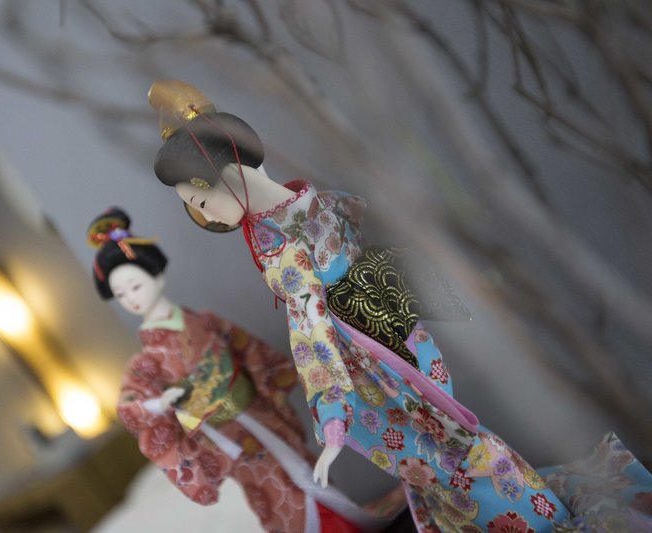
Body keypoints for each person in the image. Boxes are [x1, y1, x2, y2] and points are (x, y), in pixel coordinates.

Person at [147, 80, 652, 532]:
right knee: (457, 453)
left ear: (228, 173)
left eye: (200, 201)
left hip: (373, 374)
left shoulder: (283, 253)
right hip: (403, 337)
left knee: (452, 464)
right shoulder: (313, 200)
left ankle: (539, 522)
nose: (205, 216)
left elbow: (310, 333)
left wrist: (333, 420)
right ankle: (535, 513)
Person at [88, 207, 397, 533]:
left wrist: (268, 388)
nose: (130, 299)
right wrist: (161, 403)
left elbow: (249, 351)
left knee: (303, 467)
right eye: (120, 294)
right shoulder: (145, 363)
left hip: (258, 409)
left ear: (156, 276)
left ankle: (345, 523)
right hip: (226, 436)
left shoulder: (205, 320)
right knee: (273, 494)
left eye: (134, 286)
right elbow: (130, 407)